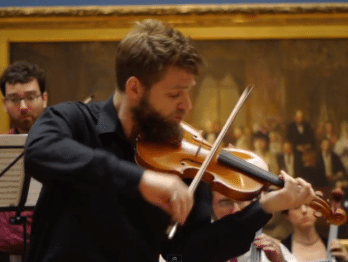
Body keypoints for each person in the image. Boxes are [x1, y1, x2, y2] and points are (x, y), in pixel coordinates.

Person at [24, 19, 317, 262]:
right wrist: (139, 180)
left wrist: (263, 207)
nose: (187, 105)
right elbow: (40, 151)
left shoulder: (181, 157)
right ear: (135, 87)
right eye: (175, 94)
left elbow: (193, 249)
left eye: (188, 92)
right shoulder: (75, 121)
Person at [0, 61, 48, 261]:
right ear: (4, 104)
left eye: (30, 97)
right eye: (14, 99)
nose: (23, 107)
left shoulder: (66, 147)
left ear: (44, 99)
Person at [212, 191, 297, 262]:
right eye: (225, 203)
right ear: (211, 207)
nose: (236, 209)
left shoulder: (276, 250)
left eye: (242, 200)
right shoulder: (201, 248)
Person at [282, 204, 348, 262]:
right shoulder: (281, 250)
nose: (304, 210)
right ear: (286, 216)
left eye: (308, 204)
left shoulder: (333, 247)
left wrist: (347, 259)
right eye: (296, 207)